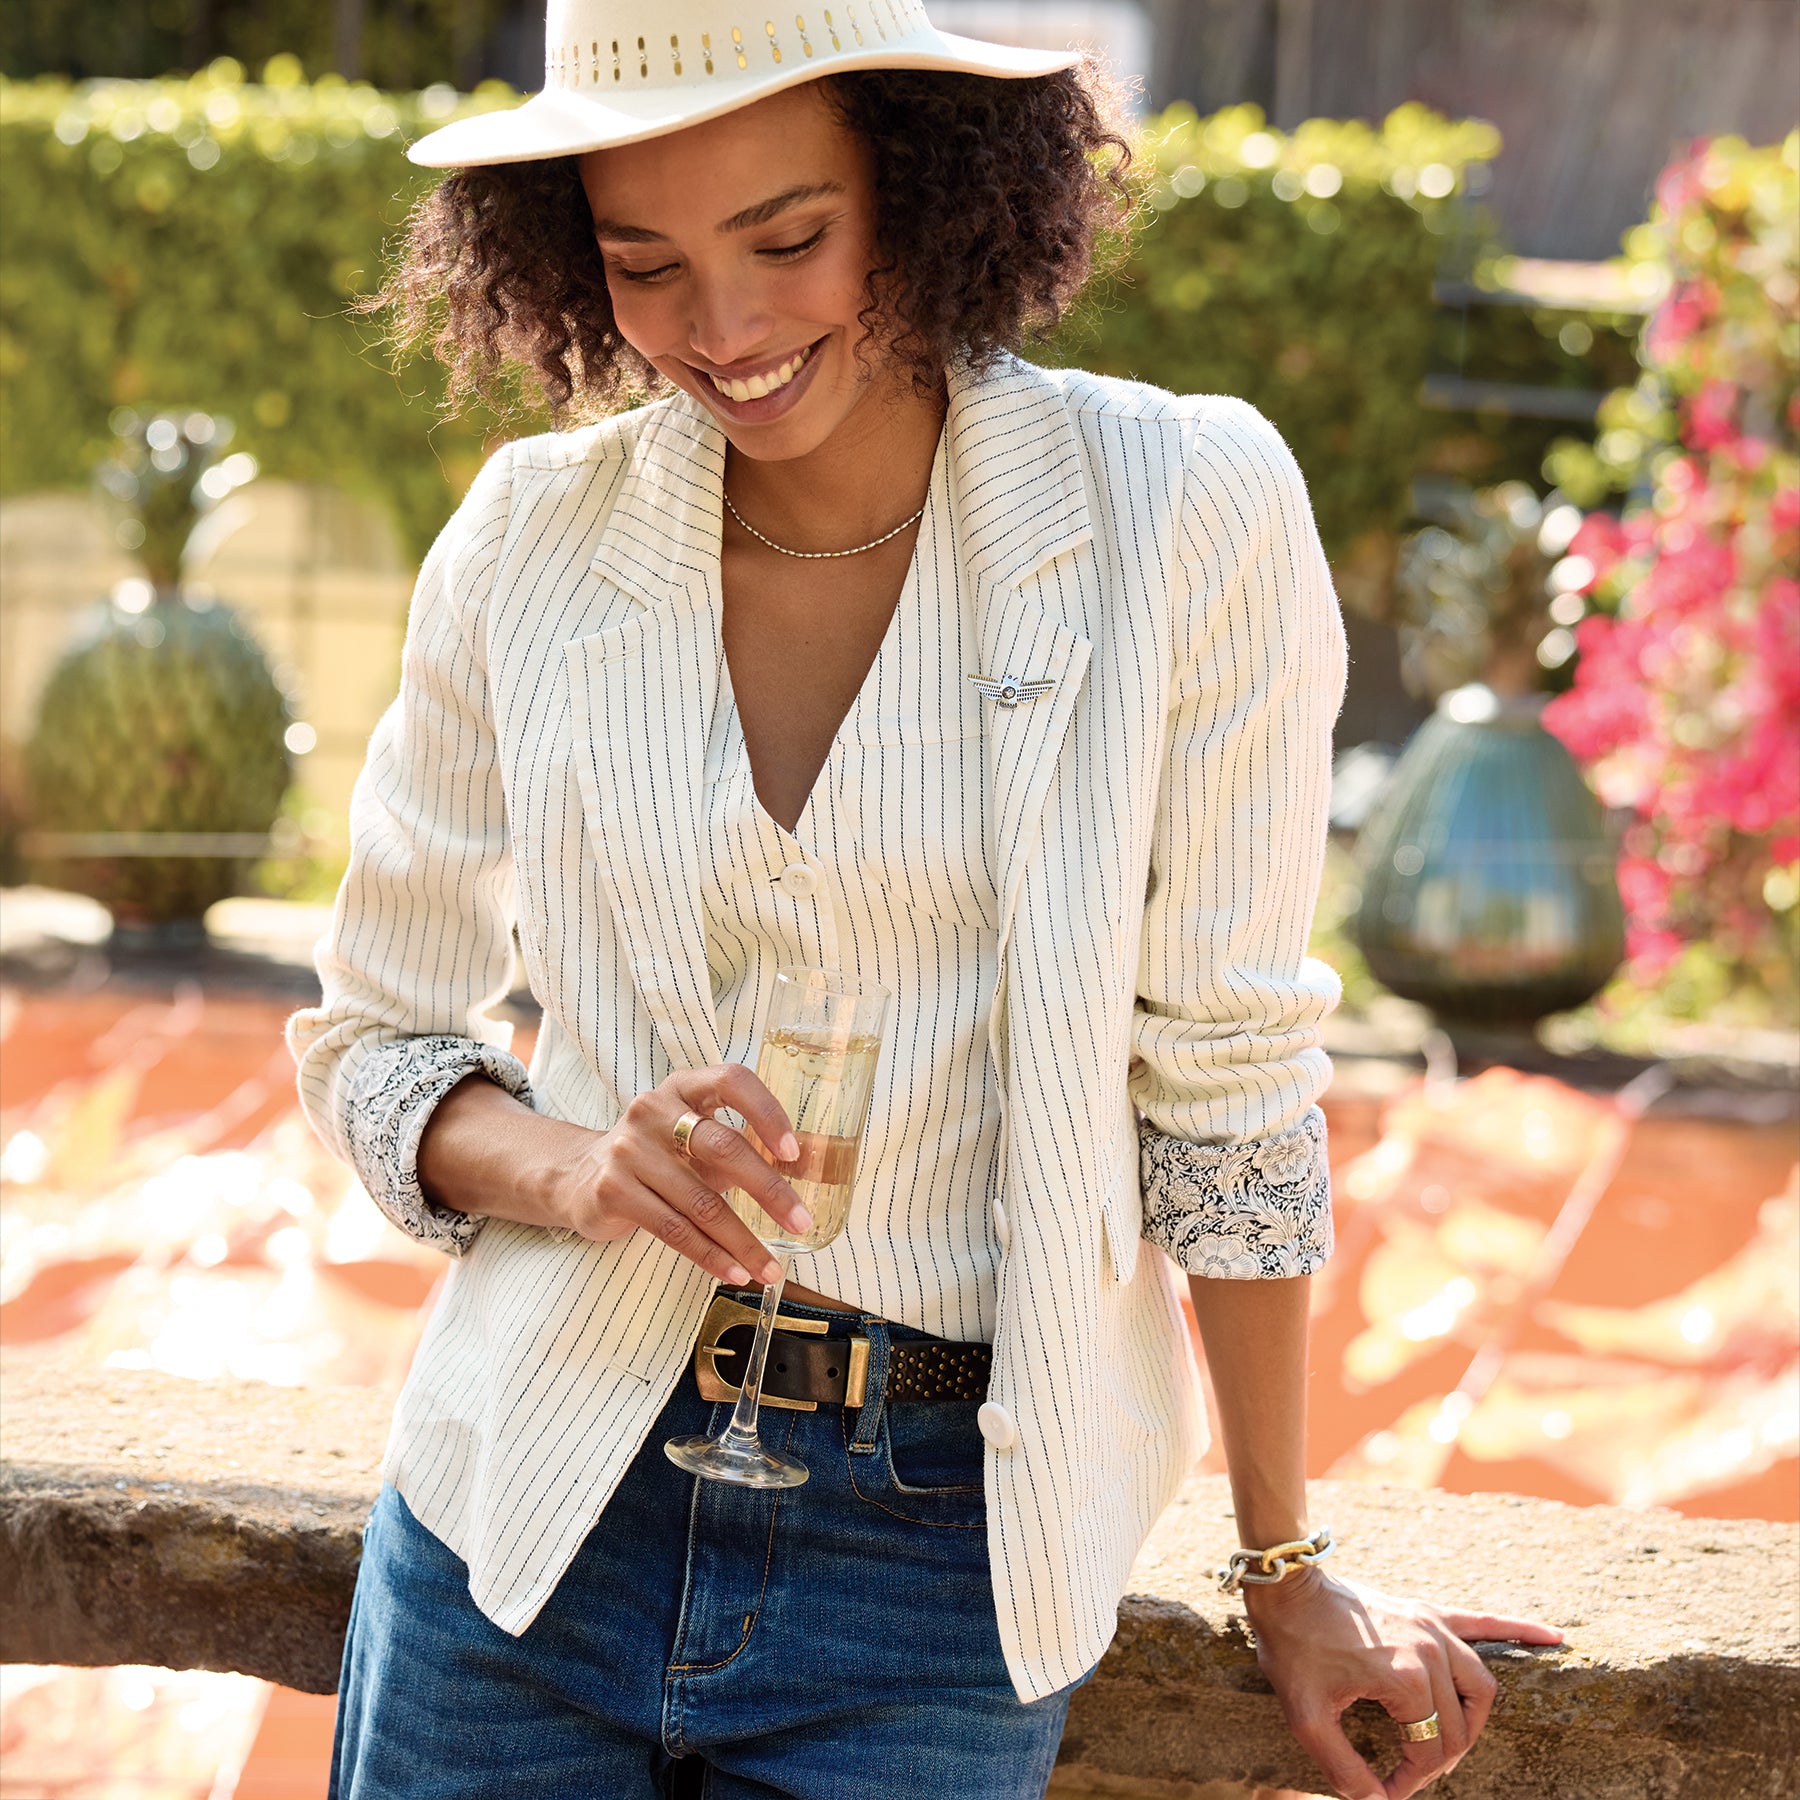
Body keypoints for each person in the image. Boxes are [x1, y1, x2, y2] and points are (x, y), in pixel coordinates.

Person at [289, 5, 1561, 1795]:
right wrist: (577, 1167)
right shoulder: (531, 536)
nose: (722, 328)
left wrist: (1284, 1559)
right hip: (521, 1518)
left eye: (787, 238)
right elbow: (372, 1040)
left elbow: (1228, 1078)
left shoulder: (1182, 509)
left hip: (938, 1575)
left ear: (922, 182)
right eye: (645, 264)